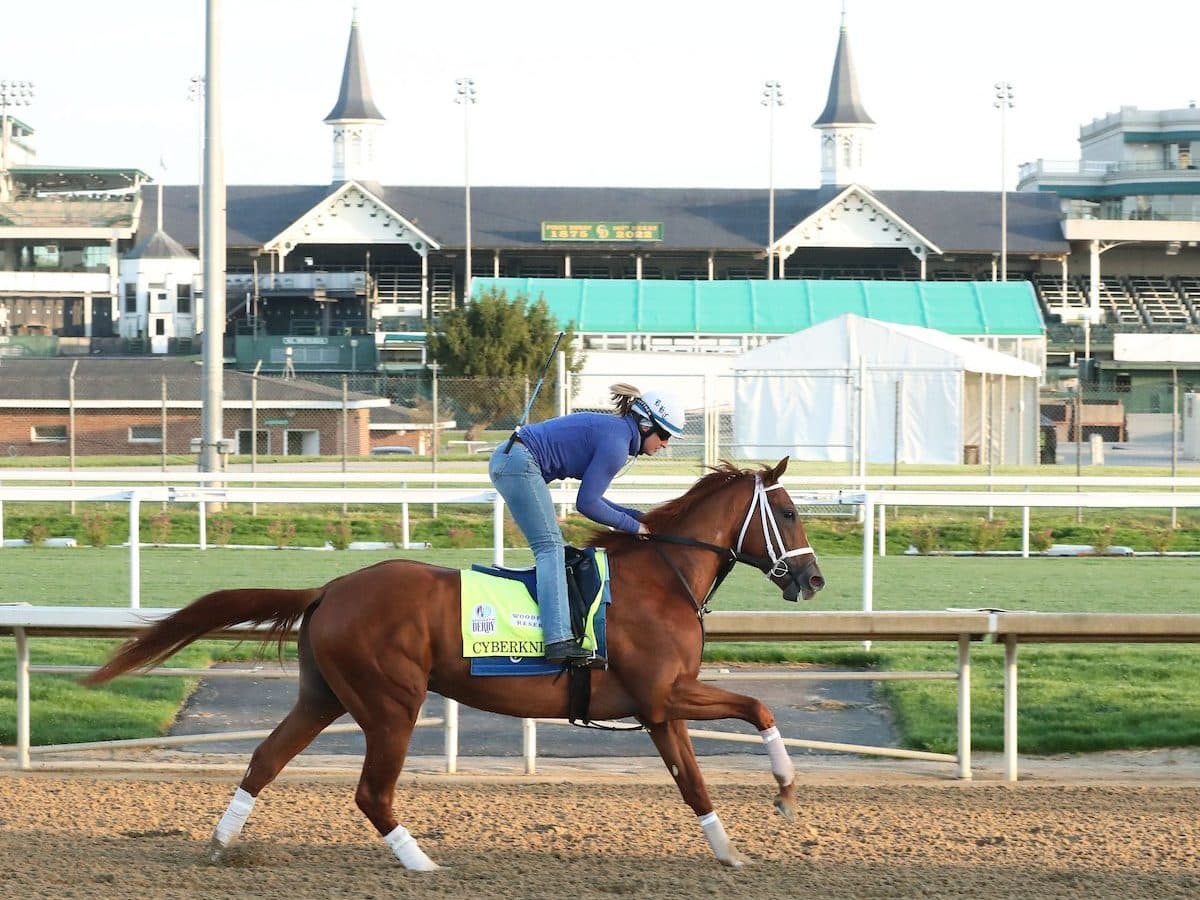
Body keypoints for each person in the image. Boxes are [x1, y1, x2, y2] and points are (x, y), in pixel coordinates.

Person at [488, 383, 686, 665]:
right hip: (518, 462)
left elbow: (595, 500)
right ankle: (557, 641)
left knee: (552, 547)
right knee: (550, 548)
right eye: (665, 435)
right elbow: (588, 504)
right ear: (645, 425)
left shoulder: (617, 434)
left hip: (514, 458)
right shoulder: (617, 446)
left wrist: (635, 517)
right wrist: (633, 527)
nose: (665, 444)